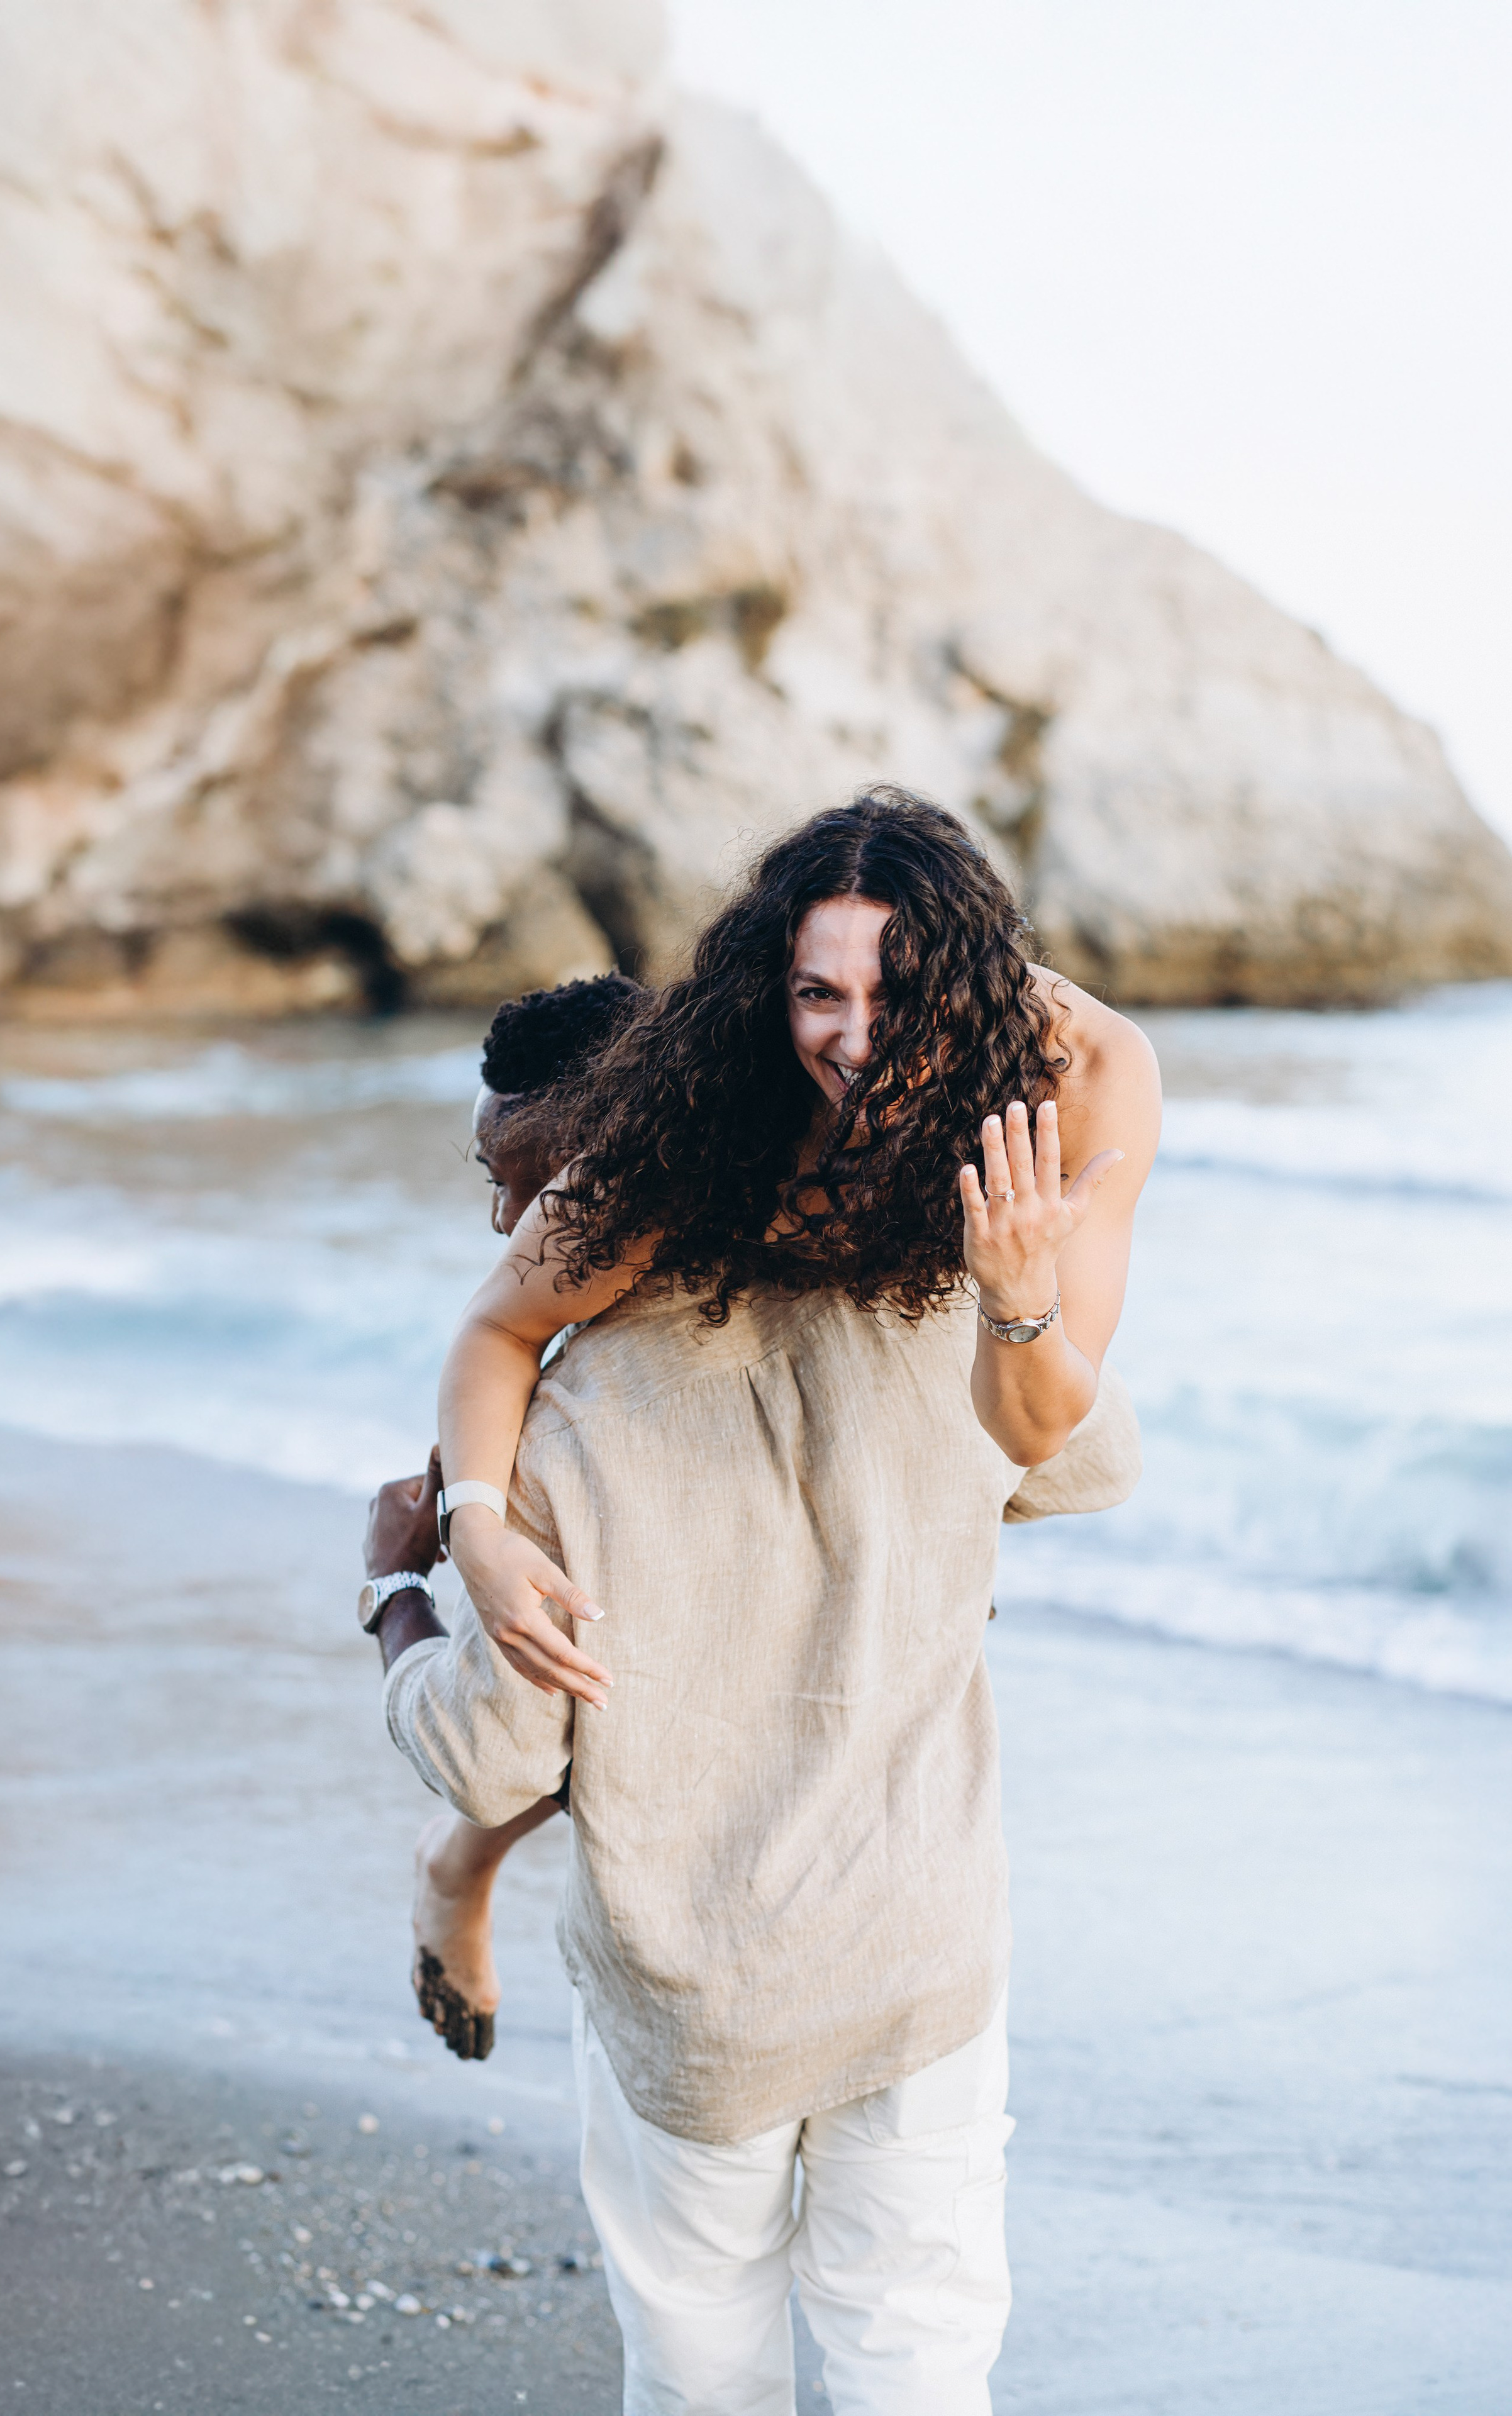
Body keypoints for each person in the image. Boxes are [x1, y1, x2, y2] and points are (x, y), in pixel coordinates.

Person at [362, 789, 1160, 2413]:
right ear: (754, 1010)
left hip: (698, 1986)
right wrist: (999, 1327)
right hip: (916, 1940)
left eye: (522, 1175)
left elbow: (492, 1737)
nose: (858, 1039)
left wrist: (418, 1565)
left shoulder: (584, 1422)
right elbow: (1070, 1454)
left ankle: (460, 1883)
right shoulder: (918, 1301)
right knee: (918, 2364)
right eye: (819, 995)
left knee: (700, 2361)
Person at [401, 973, 642, 2061]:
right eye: (493, 1186)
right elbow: (495, 1750)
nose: (506, 1220)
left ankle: (460, 1861)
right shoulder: (546, 1404)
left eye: (525, 1184)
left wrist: (389, 1587)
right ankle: (462, 1863)